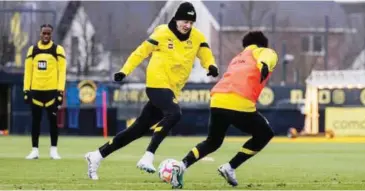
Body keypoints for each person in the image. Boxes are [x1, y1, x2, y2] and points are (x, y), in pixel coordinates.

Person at [85, 1, 218, 180]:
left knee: (136, 130)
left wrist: (211, 66)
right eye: (184, 21)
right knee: (174, 113)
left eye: (191, 22)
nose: (187, 25)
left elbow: (206, 54)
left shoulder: (197, 37)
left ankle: (97, 155)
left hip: (173, 90)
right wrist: (124, 71)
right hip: (156, 84)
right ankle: (148, 155)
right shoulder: (162, 33)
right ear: (177, 19)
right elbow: (140, 52)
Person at [170, 31, 278, 189]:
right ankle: (230, 167)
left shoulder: (237, 58)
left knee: (213, 141)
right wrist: (264, 65)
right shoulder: (263, 51)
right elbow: (268, 57)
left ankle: (181, 165)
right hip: (239, 100)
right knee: (265, 133)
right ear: (262, 43)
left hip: (217, 99)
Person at [23, 24, 67, 160]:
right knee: (35, 121)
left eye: (48, 34)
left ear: (51, 34)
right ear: (40, 33)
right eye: (44, 33)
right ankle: (34, 150)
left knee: (53, 122)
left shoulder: (58, 50)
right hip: (36, 91)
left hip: (52, 92)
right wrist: (26, 89)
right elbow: (28, 71)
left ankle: (53, 150)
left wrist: (60, 91)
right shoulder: (32, 50)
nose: (46, 36)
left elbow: (62, 72)